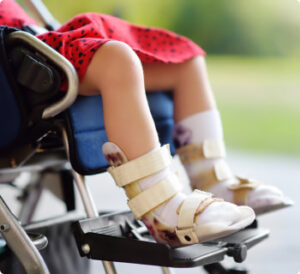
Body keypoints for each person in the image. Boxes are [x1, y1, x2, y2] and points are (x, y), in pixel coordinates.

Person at [0, 0, 291, 247]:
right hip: (16, 67)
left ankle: (213, 180)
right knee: (117, 59)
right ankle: (162, 211)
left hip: (34, 42)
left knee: (185, 60)